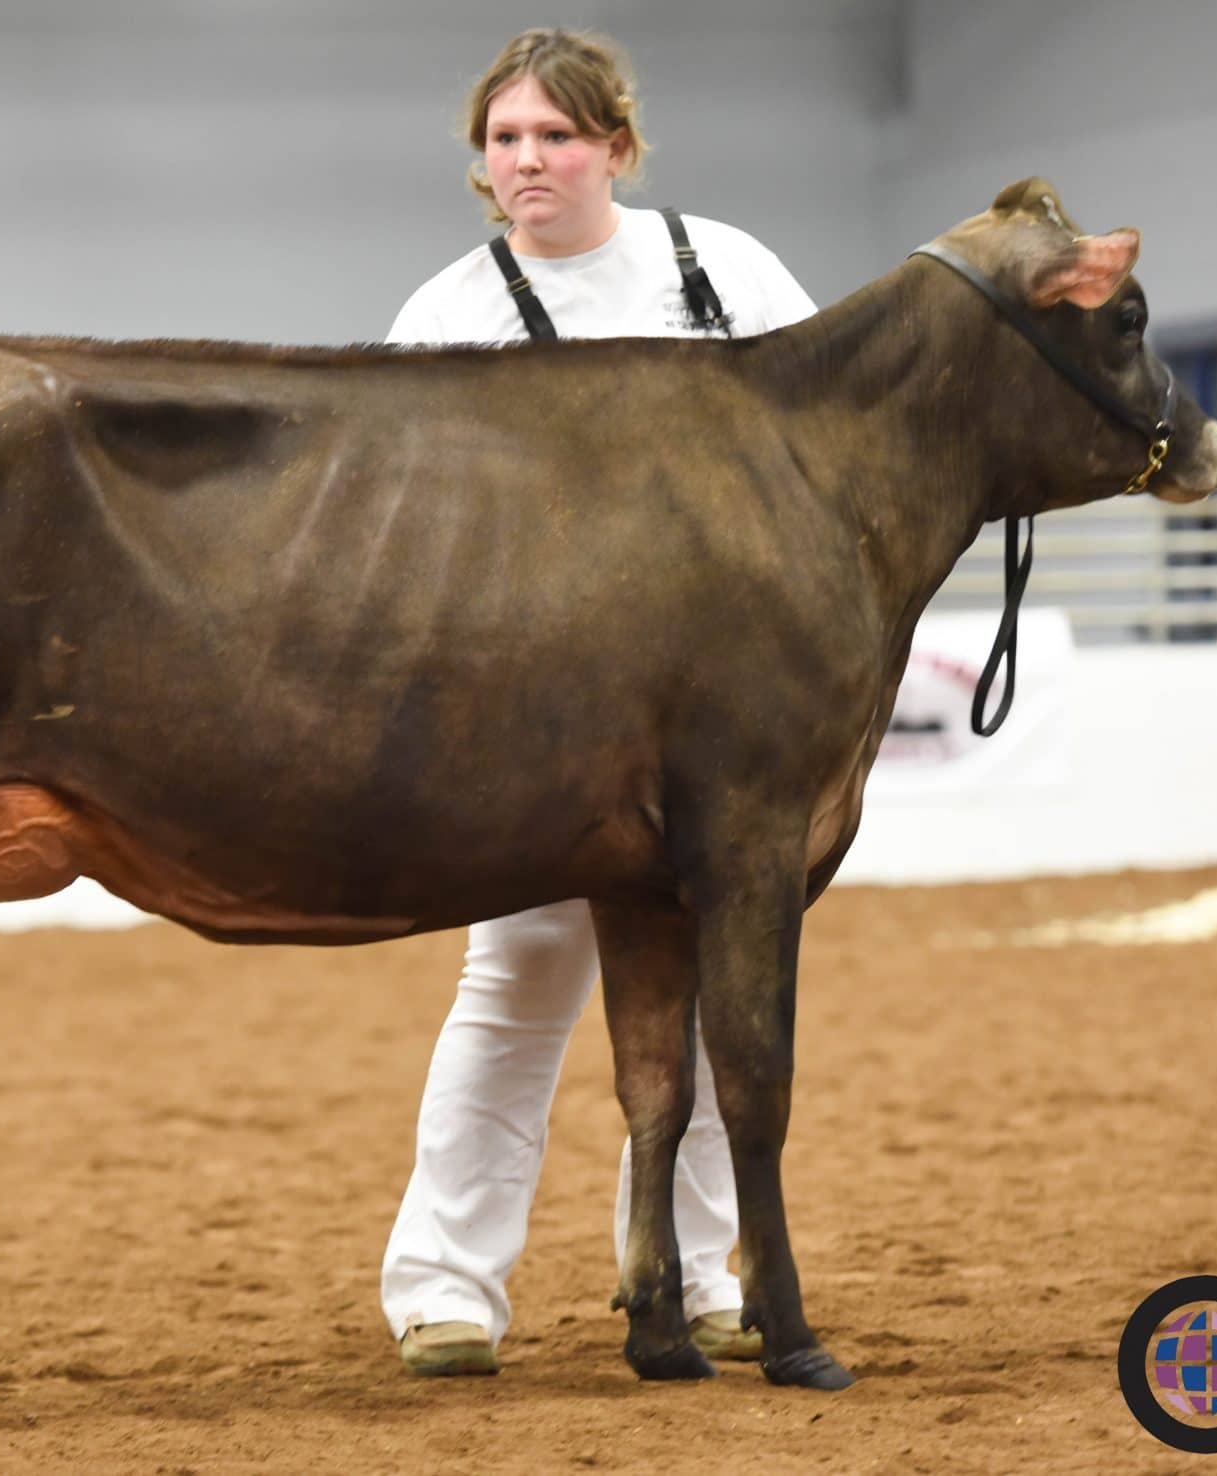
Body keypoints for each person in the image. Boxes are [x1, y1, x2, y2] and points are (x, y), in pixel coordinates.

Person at [379, 27, 818, 1377]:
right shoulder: (443, 314)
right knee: (514, 981)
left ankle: (702, 1281)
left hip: (714, 732)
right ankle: (445, 1292)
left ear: (614, 148)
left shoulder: (724, 270)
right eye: (505, 138)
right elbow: (396, 527)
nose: (527, 161)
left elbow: (826, 449)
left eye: (556, 136)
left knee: (699, 997)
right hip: (531, 729)